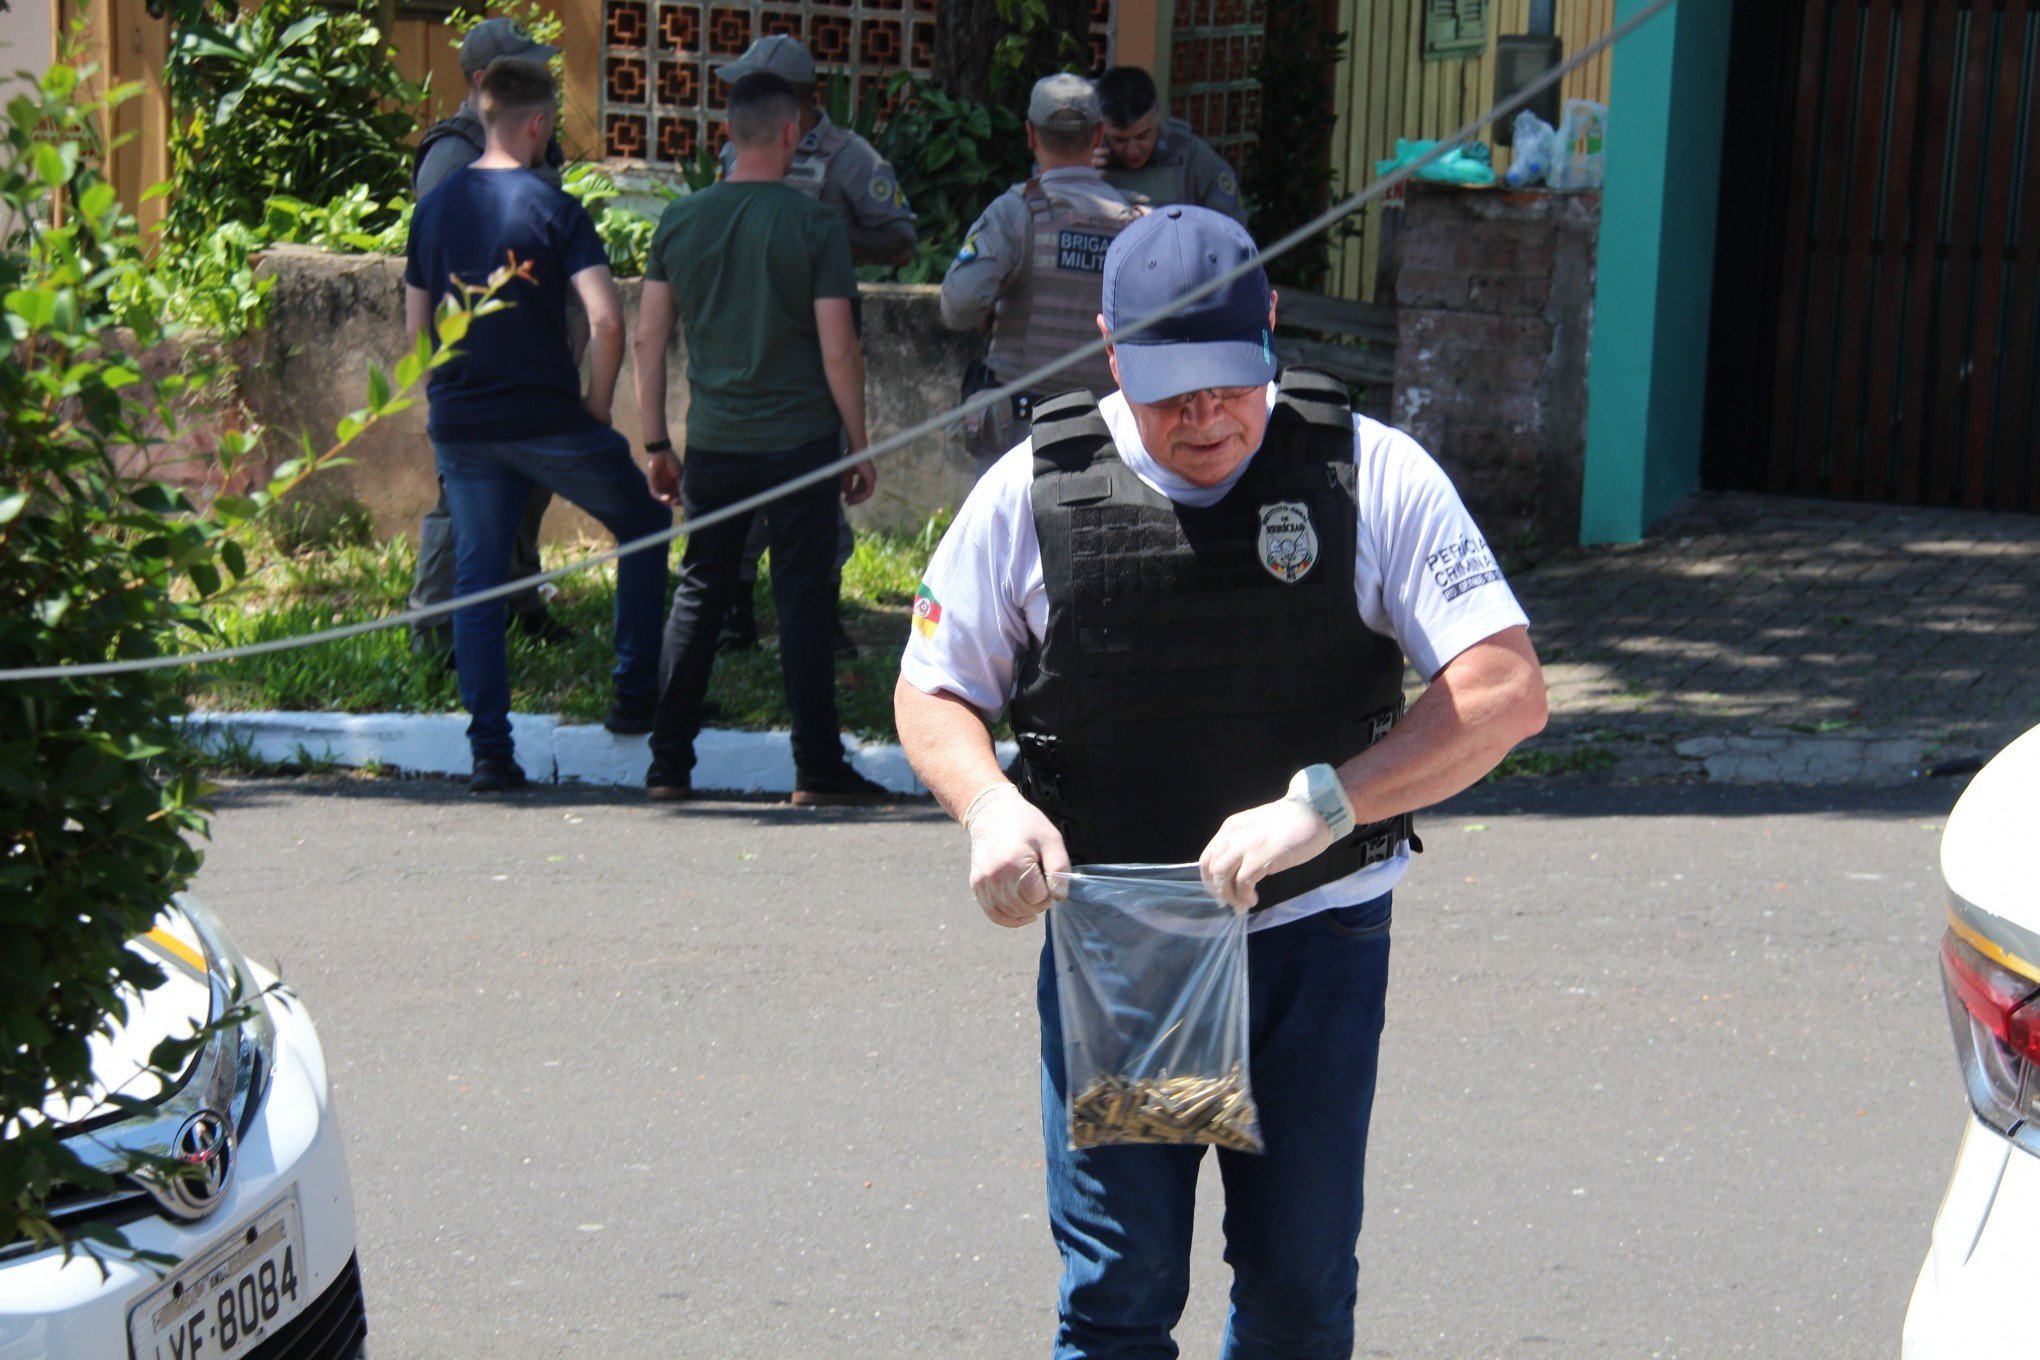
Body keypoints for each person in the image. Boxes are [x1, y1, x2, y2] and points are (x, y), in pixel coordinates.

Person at [894, 206, 1548, 1357]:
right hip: (1132, 947)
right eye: (1170, 391)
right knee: (1123, 1288)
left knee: (1297, 1293)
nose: (1204, 418)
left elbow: (1505, 692)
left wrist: (1325, 803)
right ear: (1109, 347)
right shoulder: (1035, 490)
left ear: (1272, 329)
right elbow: (933, 685)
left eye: (1229, 385)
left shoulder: (1367, 473)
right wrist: (988, 806)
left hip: (1314, 942)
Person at [404, 57, 671, 793]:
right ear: (538, 123)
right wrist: (594, 406)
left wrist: (443, 402)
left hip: (462, 421)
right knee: (646, 523)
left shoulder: (433, 207)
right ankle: (632, 692)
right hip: (546, 418)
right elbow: (608, 320)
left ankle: (491, 750)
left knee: (478, 581)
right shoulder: (555, 207)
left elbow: (416, 329)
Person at [635, 71, 888, 807]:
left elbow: (651, 339)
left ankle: (667, 763)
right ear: (791, 135)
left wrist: (656, 441)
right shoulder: (815, 228)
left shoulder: (680, 220)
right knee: (804, 599)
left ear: (726, 135)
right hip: (800, 445)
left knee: (702, 589)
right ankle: (816, 768)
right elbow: (840, 349)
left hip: (713, 443)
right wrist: (859, 443)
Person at [711, 33, 917, 658]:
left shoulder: (849, 157)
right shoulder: (736, 149)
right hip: (750, 333)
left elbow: (900, 240)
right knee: (742, 481)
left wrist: (824, 233)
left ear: (798, 98)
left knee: (818, 477)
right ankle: (736, 610)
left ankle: (820, 613)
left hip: (818, 337)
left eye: (758, 85)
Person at [407, 17, 572, 661]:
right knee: (463, 496)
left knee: (531, 484)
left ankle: (519, 602)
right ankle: (435, 629)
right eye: (522, 67)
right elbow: (444, 255)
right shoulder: (453, 152)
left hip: (535, 347)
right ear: (483, 81)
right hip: (480, 350)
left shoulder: (529, 137)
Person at [939, 73, 1142, 461]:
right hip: (1109, 434)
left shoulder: (1015, 213)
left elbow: (958, 306)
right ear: (1099, 136)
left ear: (1031, 135)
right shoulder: (1136, 223)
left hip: (1021, 435)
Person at [1093, 65, 1248, 226]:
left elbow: (1232, 228)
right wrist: (1082, 179)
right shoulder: (1087, 158)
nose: (1132, 150)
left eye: (1143, 136)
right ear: (1101, 127)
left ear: (1157, 112)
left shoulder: (1188, 154)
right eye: (1120, 140)